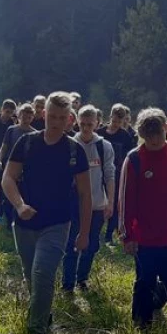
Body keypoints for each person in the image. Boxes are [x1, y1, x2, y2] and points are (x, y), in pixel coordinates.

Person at [1, 91, 92, 334]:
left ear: (70, 119)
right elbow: (8, 178)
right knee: (31, 275)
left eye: (62, 118)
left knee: (43, 272)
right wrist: (19, 205)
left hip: (57, 224)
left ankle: (36, 331)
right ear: (44, 114)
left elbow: (85, 194)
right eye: (52, 116)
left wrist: (84, 233)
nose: (56, 122)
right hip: (24, 222)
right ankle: (43, 312)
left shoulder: (75, 151)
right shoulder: (27, 143)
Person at [118, 108, 167, 330]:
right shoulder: (134, 159)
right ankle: (141, 323)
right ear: (142, 135)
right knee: (145, 279)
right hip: (145, 235)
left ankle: (157, 301)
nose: (154, 140)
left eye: (158, 134)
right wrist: (128, 235)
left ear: (166, 129)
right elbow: (125, 199)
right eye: (148, 136)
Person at [62, 105, 115, 293]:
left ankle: (82, 279)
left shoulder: (104, 146)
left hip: (97, 204)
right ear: (77, 122)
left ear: (97, 123)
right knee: (70, 243)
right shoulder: (69, 144)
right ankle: (67, 283)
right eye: (82, 124)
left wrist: (110, 201)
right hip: (73, 204)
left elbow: (109, 175)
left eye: (89, 124)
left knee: (91, 245)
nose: (85, 128)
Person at [0, 103, 37, 223]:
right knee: (5, 194)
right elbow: (3, 148)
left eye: (29, 118)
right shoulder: (11, 130)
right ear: (18, 116)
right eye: (24, 117)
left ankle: (18, 220)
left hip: (25, 171)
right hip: (9, 168)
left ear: (32, 118)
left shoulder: (35, 134)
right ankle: (4, 217)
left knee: (21, 196)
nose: (26, 120)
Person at [103, 104, 135, 245]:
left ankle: (109, 235)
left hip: (117, 174)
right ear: (110, 118)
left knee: (115, 204)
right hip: (99, 172)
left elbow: (130, 155)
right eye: (114, 121)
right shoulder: (100, 133)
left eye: (119, 122)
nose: (116, 125)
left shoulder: (125, 136)